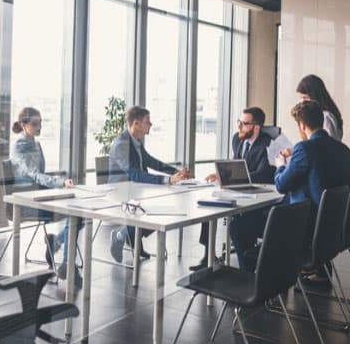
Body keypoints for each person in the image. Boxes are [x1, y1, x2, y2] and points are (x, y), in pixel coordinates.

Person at [273, 100, 350, 283]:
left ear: (302, 125)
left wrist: (280, 166)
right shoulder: (343, 150)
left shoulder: (304, 148)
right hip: (336, 225)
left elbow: (281, 185)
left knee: (256, 221)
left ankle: (269, 281)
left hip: (309, 226)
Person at [191, 107, 276, 271]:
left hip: (258, 192)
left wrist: (232, 178)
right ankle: (208, 255)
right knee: (210, 205)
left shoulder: (268, 144)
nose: (239, 127)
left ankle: (248, 267)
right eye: (239, 122)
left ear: (256, 127)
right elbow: (235, 165)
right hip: (237, 188)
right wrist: (221, 174)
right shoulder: (237, 139)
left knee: (239, 225)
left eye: (244, 124)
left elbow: (263, 173)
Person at [108, 106, 190, 263]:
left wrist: (177, 172)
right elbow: (135, 174)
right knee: (154, 212)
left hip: (135, 190)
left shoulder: (136, 141)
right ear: (137, 123)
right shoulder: (121, 144)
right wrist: (168, 180)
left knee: (160, 210)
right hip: (120, 193)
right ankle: (120, 235)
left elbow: (151, 162)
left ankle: (130, 236)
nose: (151, 124)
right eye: (148, 121)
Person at [10, 107, 81, 287]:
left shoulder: (36, 143)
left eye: (41, 122)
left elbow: (40, 175)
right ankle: (65, 262)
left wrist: (58, 184)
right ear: (22, 125)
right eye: (35, 123)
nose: (39, 126)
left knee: (79, 212)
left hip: (40, 195)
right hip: (26, 201)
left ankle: (59, 246)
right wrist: (59, 182)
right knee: (76, 213)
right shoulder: (19, 146)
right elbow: (34, 174)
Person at [296, 74, 344, 141]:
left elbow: (329, 146)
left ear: (315, 96)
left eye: (305, 98)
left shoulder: (326, 117)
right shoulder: (317, 115)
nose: (303, 102)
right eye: (301, 98)